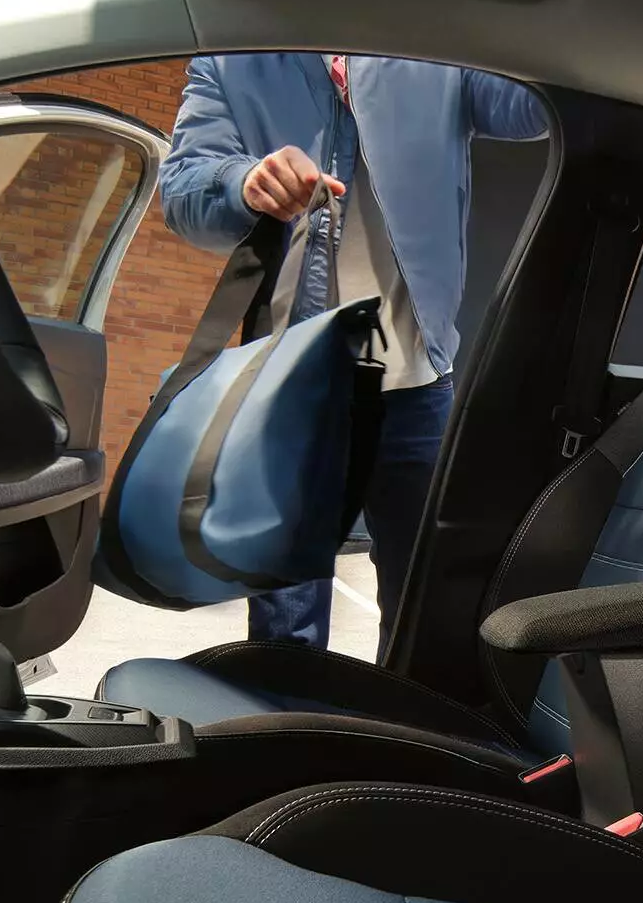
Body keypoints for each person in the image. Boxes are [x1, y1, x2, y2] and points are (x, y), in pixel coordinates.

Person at [157, 54, 547, 657]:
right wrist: (243, 181)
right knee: (286, 625)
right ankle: (291, 712)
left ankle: (401, 716)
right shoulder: (235, 59)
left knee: (423, 610)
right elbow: (183, 190)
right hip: (293, 387)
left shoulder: (433, 51)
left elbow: (532, 107)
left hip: (417, 379)